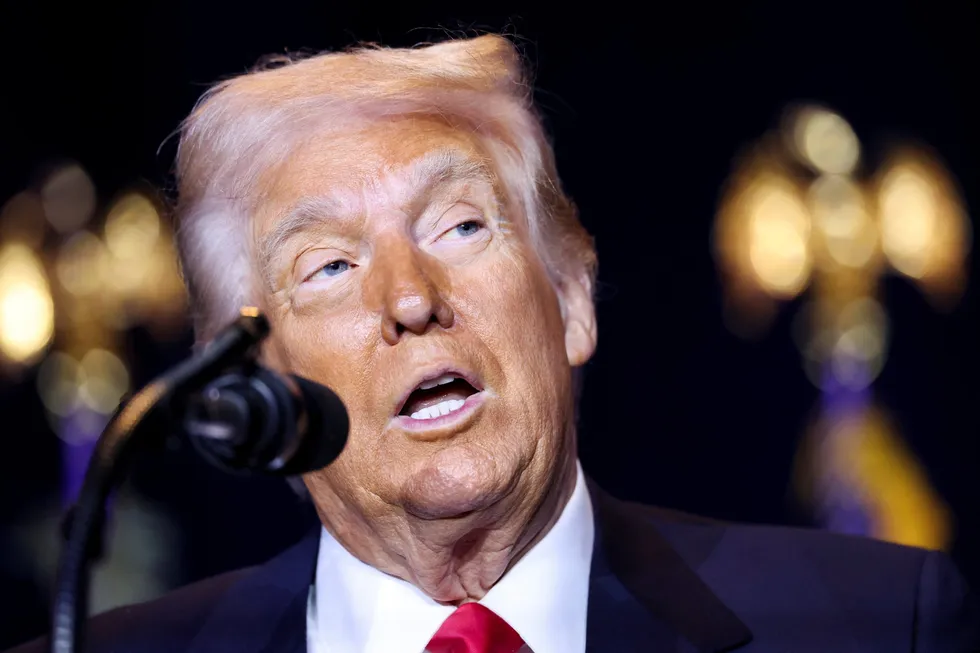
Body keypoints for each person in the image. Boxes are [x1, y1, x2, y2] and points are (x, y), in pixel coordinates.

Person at [10, 34, 979, 653]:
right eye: (329, 268)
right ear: (254, 392)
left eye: (459, 226)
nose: (410, 298)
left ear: (569, 296)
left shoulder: (872, 624)